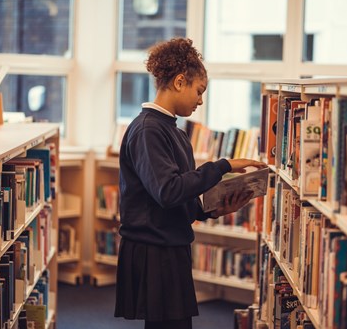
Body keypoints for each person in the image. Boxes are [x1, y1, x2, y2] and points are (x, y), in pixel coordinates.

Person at [114, 37, 266, 329]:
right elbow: (167, 191)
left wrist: (211, 209)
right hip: (153, 250)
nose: (200, 100)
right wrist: (223, 166)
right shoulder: (148, 130)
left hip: (170, 245)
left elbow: (180, 193)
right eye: (199, 91)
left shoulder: (176, 132)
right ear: (180, 82)